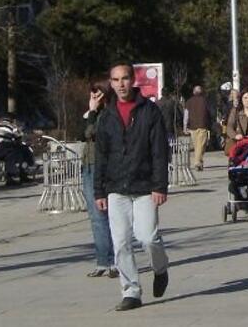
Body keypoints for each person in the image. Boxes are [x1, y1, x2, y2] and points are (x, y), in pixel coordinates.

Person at [93, 62, 170, 311]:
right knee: (122, 243)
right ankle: (131, 291)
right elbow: (100, 155)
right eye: (115, 80)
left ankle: (160, 269)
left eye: (125, 78)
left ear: (133, 80)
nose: (121, 84)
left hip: (145, 186)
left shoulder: (149, 111)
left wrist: (160, 186)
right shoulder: (106, 116)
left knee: (148, 238)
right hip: (116, 188)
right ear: (111, 83)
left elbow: (159, 151)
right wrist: (99, 191)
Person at [81, 84, 116, 279]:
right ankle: (103, 260)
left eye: (98, 94)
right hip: (88, 164)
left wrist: (93, 112)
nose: (94, 97)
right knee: (95, 216)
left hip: (101, 165)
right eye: (92, 93)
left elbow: (91, 133)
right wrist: (90, 111)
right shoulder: (94, 113)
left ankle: (113, 260)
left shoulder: (109, 114)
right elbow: (82, 134)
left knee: (105, 214)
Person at [0, 117, 35, 185]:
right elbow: (18, 138)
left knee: (15, 153)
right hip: (5, 148)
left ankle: (16, 175)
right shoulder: (12, 126)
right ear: (12, 120)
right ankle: (21, 174)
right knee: (22, 150)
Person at [183, 86, 211, 171]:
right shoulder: (205, 101)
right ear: (201, 92)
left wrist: (185, 126)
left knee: (197, 146)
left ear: (193, 92)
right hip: (203, 125)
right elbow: (209, 113)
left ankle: (199, 163)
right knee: (200, 146)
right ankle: (197, 163)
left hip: (192, 127)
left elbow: (186, 115)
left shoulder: (189, 102)